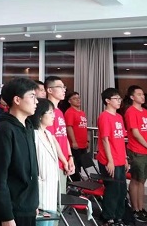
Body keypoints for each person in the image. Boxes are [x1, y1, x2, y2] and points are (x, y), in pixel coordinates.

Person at [0, 77, 39, 226]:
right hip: (12, 210)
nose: (36, 101)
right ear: (17, 100)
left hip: (28, 205)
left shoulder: (28, 126)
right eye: (32, 96)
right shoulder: (5, 129)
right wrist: (6, 216)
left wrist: (33, 202)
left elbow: (31, 168)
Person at [124, 85, 147, 223]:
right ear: (132, 97)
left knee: (142, 181)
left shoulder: (146, 112)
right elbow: (136, 133)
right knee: (136, 180)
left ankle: (141, 208)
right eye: (139, 94)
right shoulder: (130, 111)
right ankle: (135, 210)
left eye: (143, 94)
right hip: (137, 151)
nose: (142, 96)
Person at [96, 88, 128, 226]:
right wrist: (110, 161)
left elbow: (121, 139)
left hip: (120, 159)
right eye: (116, 98)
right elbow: (105, 139)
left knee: (121, 190)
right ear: (107, 101)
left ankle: (118, 217)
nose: (119, 101)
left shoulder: (119, 117)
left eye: (120, 98)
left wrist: (125, 158)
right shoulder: (104, 116)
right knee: (112, 190)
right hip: (109, 160)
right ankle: (108, 217)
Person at [31, 99, 63, 226]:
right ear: (40, 115)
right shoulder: (33, 135)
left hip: (51, 191)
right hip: (40, 194)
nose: (53, 116)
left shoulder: (48, 134)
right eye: (50, 113)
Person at [44, 76, 74, 208]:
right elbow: (51, 139)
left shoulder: (60, 112)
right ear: (49, 90)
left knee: (60, 201)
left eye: (64, 87)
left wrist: (70, 157)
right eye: (60, 87)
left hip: (63, 161)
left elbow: (64, 136)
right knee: (53, 204)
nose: (64, 90)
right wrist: (64, 160)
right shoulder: (47, 112)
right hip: (54, 162)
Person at [64, 91, 88, 181]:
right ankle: (75, 184)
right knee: (76, 165)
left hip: (83, 144)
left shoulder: (82, 113)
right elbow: (69, 127)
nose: (78, 100)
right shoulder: (70, 112)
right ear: (69, 101)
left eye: (78, 98)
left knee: (81, 164)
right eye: (75, 99)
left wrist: (87, 140)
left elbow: (84, 127)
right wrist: (73, 141)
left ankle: (79, 182)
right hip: (75, 144)